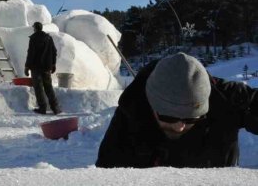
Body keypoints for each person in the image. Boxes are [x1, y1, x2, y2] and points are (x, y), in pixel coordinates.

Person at [96, 52, 258, 168]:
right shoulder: (131, 116)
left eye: (191, 119)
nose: (179, 126)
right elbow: (107, 174)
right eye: (168, 117)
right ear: (151, 103)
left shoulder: (225, 98)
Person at [24, 22, 60, 115]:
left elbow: (30, 53)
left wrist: (27, 66)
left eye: (33, 28)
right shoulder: (48, 38)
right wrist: (53, 64)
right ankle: (55, 108)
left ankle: (42, 108)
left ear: (35, 28)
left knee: (38, 88)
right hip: (46, 68)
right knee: (48, 87)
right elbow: (54, 51)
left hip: (36, 68)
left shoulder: (33, 38)